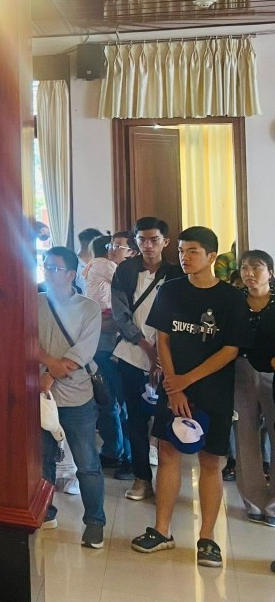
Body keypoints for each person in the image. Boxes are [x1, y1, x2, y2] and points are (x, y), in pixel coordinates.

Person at [132, 226, 250, 567]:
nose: (185, 257)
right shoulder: (171, 290)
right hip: (173, 387)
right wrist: (175, 385)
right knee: (168, 453)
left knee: (211, 461)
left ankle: (208, 539)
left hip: (213, 389)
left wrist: (187, 380)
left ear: (212, 256)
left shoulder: (231, 298)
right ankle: (162, 531)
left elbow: (230, 350)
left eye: (193, 251)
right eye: (182, 251)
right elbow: (163, 338)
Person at [111, 216, 185, 502]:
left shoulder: (177, 274)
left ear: (166, 242)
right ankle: (142, 478)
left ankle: (168, 480)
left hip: (170, 358)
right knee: (136, 418)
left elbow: (180, 317)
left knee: (165, 418)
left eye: (154, 240)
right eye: (142, 240)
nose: (148, 245)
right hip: (133, 354)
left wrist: (161, 355)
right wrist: (146, 346)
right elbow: (120, 313)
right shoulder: (125, 270)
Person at [38, 246, 106, 548]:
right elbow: (25, 339)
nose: (48, 272)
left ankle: (94, 522)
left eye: (54, 268)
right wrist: (47, 364)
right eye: (45, 266)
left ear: (70, 274)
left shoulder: (88, 308)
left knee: (87, 463)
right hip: (42, 397)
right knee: (42, 461)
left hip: (77, 396)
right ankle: (45, 512)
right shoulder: (35, 302)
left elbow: (84, 351)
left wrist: (51, 373)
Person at [84, 233, 131, 479]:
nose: (112, 249)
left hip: (126, 347)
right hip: (102, 344)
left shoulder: (127, 275)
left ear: (132, 252)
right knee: (106, 400)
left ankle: (130, 458)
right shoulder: (107, 266)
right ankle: (113, 451)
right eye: (111, 245)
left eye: (119, 246)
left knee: (126, 403)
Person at [234, 249, 275, 524]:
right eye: (245, 268)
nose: (249, 273)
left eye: (256, 268)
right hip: (240, 370)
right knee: (245, 434)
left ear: (270, 272)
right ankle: (253, 501)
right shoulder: (234, 302)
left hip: (272, 373)